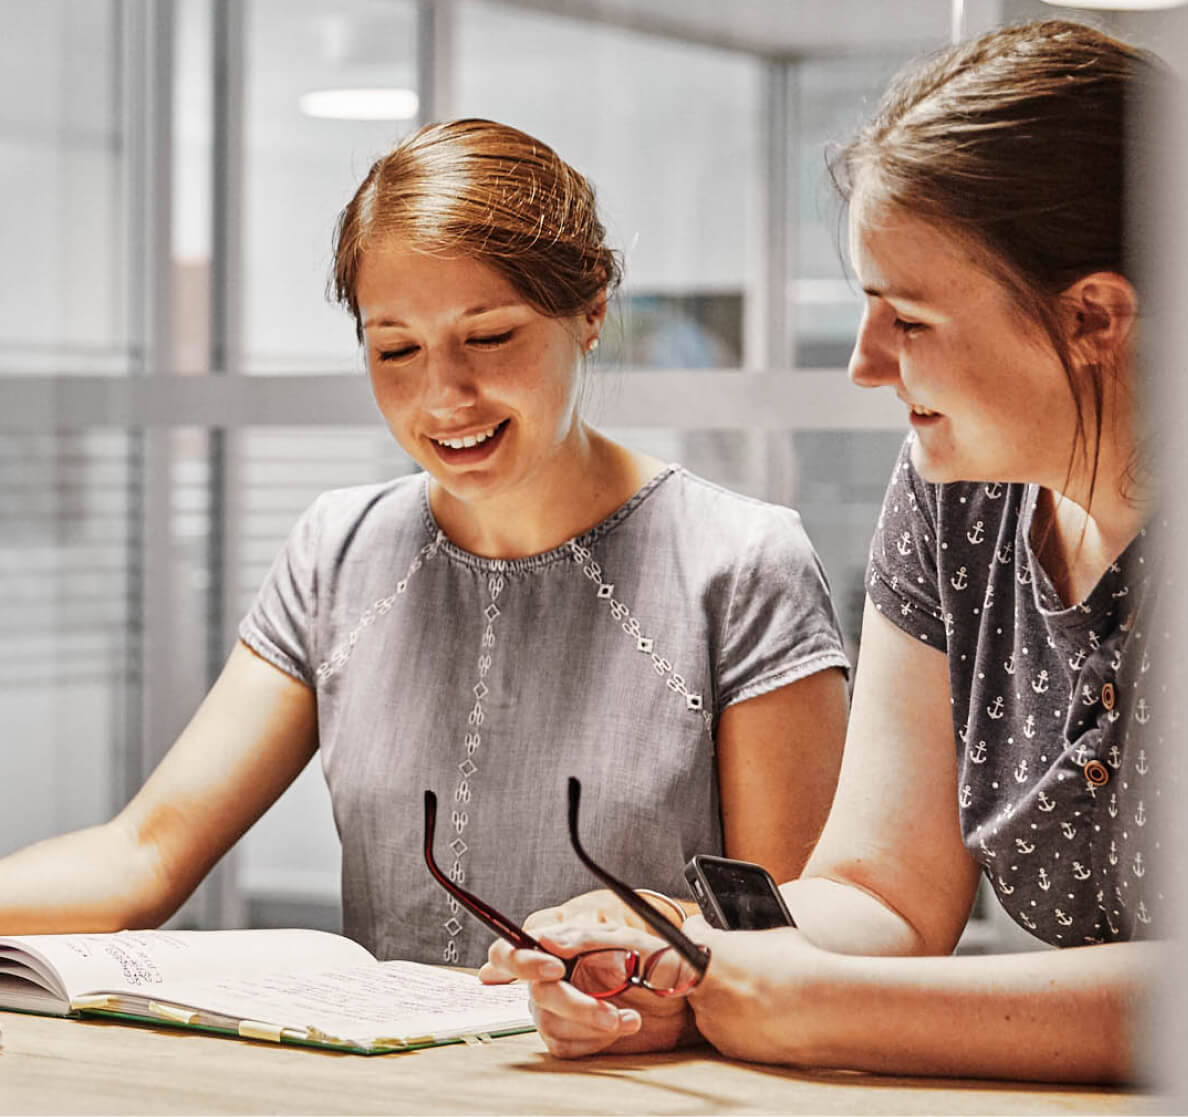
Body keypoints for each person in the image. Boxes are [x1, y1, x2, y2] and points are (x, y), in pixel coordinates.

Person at [483, 21, 1167, 1081]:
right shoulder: (953, 498)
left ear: (1092, 316)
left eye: (909, 317)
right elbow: (884, 890)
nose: (864, 364)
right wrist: (689, 961)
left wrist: (829, 1006)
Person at [0, 119, 850, 968]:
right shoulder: (338, 553)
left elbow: (793, 943)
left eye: (489, 337)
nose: (444, 397)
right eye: (395, 348)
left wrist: (656, 932)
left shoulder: (741, 565)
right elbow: (145, 853)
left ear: (590, 310)